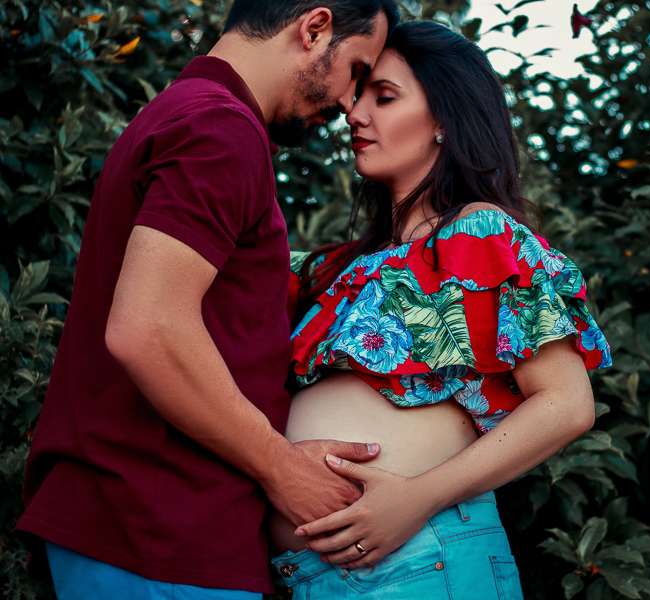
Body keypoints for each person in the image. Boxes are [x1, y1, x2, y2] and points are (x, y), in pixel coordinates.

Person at [15, 2, 399, 599]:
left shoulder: (188, 115)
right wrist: (282, 466)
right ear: (314, 27)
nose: (351, 104)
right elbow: (147, 328)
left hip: (153, 529)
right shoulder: (219, 131)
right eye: (356, 70)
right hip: (158, 530)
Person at [267, 20, 613, 598]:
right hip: (311, 579)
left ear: (445, 124)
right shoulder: (337, 270)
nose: (355, 114)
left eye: (384, 97)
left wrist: (418, 496)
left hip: (422, 558)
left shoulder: (479, 234)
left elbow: (568, 405)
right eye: (357, 96)